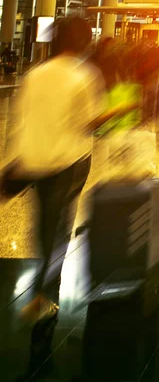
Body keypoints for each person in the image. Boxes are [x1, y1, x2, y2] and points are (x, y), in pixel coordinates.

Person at [5, 17, 135, 324]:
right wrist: (119, 110)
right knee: (59, 228)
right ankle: (44, 295)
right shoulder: (83, 76)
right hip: (68, 163)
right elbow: (90, 123)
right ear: (82, 42)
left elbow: (19, 121)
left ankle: (45, 289)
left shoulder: (34, 75)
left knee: (45, 226)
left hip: (34, 161)